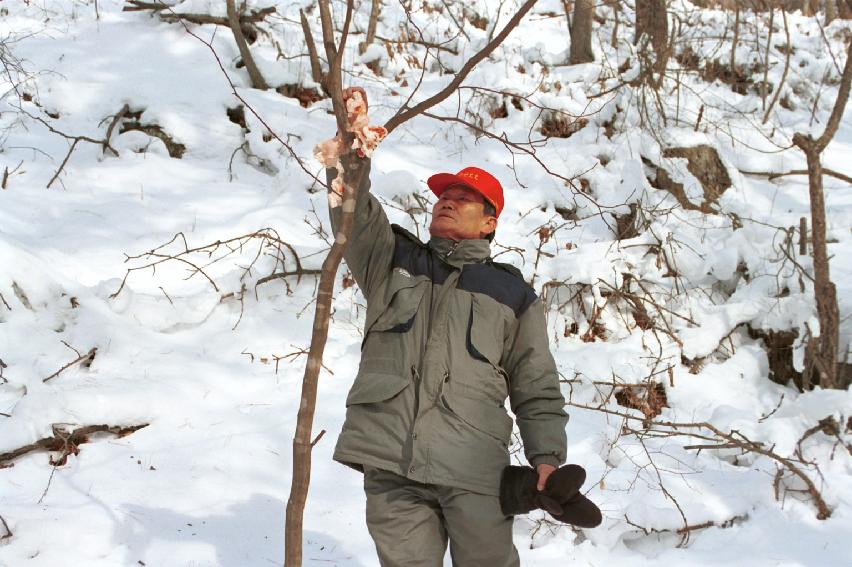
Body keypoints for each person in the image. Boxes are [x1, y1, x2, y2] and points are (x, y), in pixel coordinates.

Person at [326, 88, 568, 567]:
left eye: (463, 199)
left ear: (489, 223)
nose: (447, 203)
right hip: (391, 462)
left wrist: (547, 457)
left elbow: (535, 383)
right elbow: (351, 212)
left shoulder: (513, 296)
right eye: (443, 196)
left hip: (472, 466)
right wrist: (351, 158)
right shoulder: (393, 259)